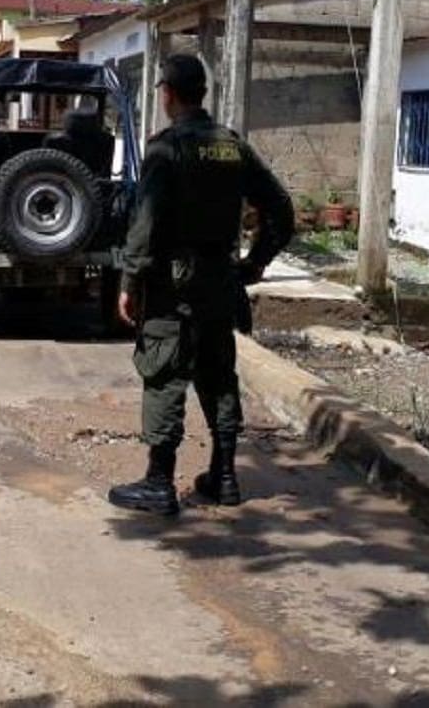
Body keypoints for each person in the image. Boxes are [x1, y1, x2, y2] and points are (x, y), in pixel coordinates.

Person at [108, 54, 294, 516]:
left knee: (165, 373)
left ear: (168, 93)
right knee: (218, 375)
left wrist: (130, 278)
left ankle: (158, 483)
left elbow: (145, 223)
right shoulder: (231, 146)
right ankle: (225, 476)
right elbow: (281, 211)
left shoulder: (166, 149)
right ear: (202, 93)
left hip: (174, 288)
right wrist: (255, 263)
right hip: (220, 284)